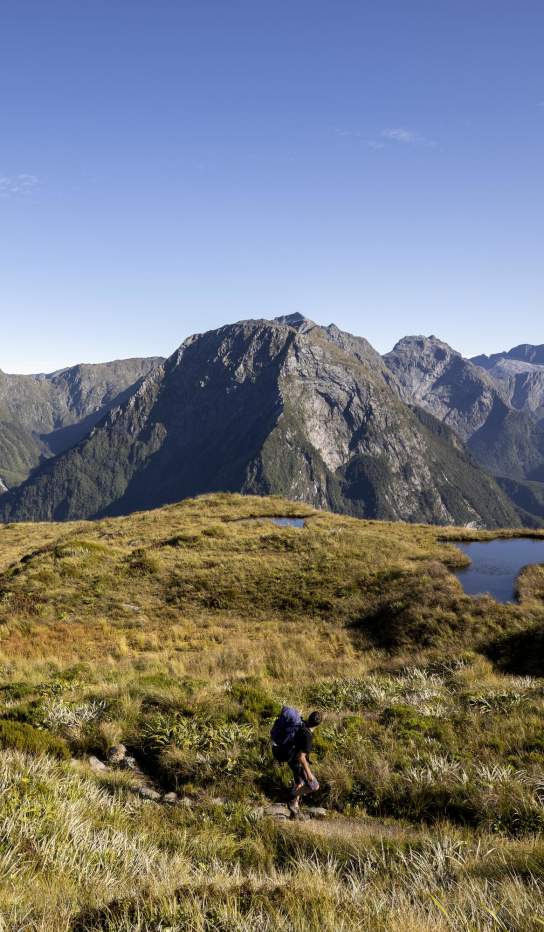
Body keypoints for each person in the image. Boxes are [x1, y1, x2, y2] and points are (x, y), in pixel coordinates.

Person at [287, 710, 322, 818]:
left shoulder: (302, 724)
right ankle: (292, 796)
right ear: (318, 724)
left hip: (290, 758)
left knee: (300, 782)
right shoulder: (308, 736)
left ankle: (294, 806)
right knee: (314, 786)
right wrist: (309, 773)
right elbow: (301, 757)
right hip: (298, 763)